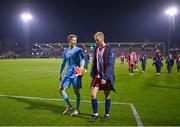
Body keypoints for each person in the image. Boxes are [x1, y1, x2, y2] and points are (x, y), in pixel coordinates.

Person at [88, 32, 115, 122]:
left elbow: (110, 65)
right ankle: (95, 114)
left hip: (106, 76)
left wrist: (105, 77)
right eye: (95, 40)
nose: (96, 42)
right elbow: (94, 62)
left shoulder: (109, 49)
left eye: (97, 40)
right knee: (92, 94)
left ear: (102, 39)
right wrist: (92, 74)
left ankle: (106, 114)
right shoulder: (96, 49)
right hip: (97, 76)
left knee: (106, 95)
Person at [58, 34, 85, 116]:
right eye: (73, 40)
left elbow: (83, 59)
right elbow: (63, 62)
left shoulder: (79, 50)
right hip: (67, 73)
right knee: (60, 89)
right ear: (69, 41)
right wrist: (60, 72)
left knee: (76, 92)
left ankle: (77, 109)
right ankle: (69, 106)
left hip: (76, 73)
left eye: (75, 40)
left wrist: (82, 67)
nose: (74, 41)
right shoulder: (65, 50)